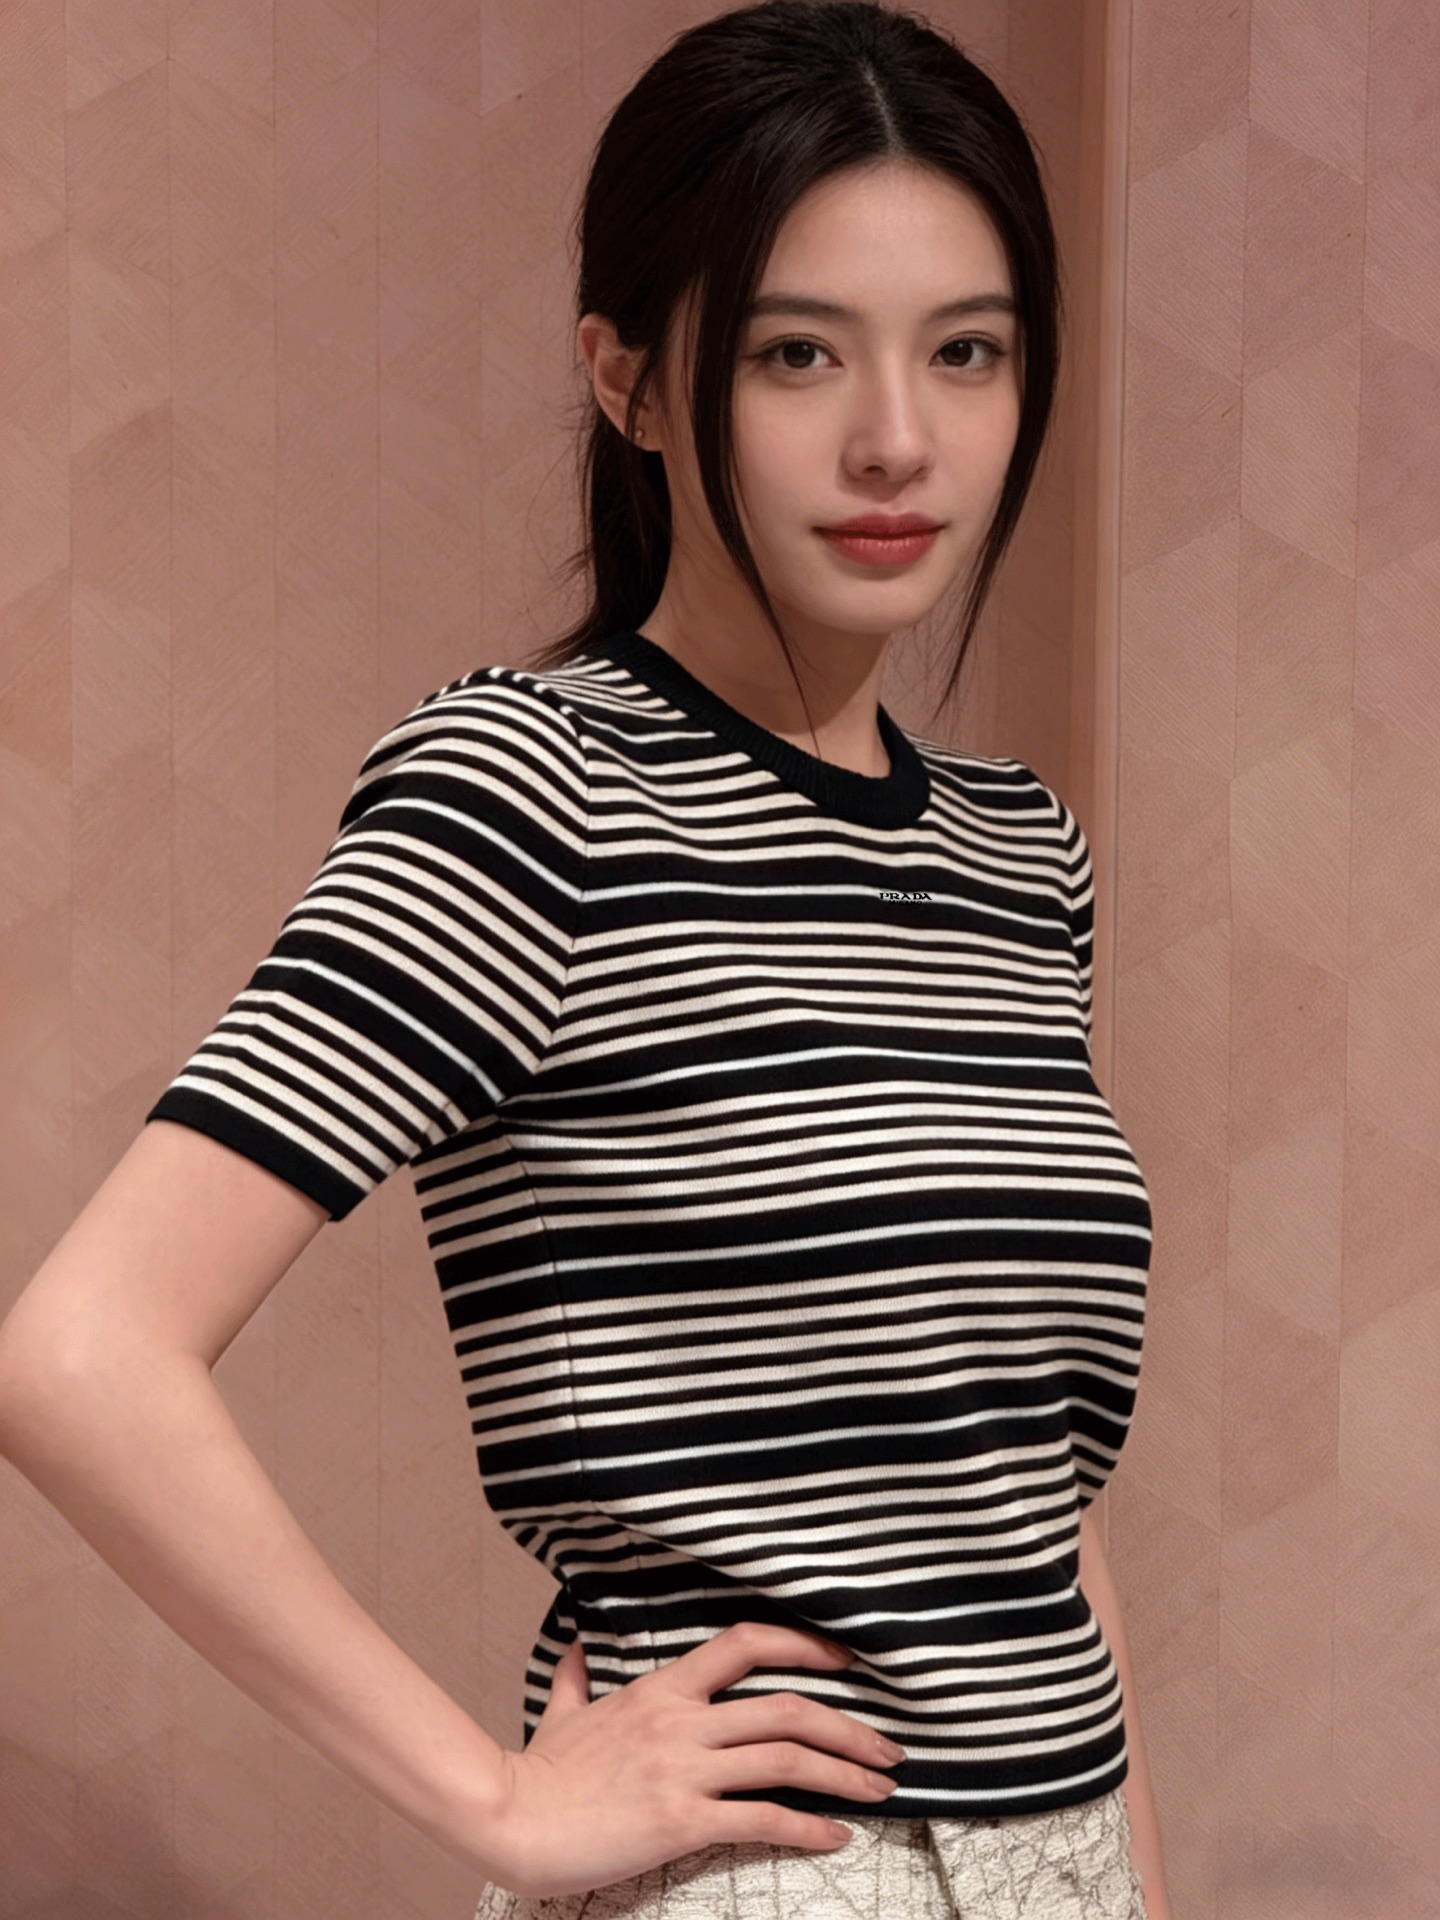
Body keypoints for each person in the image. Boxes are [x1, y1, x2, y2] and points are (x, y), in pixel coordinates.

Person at [0, 3, 1172, 1916]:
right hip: (769, 1878)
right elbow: (81, 1355)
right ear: (626, 380)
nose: (899, 438)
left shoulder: (1016, 854)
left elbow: (1030, 1501)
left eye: (968, 350)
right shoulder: (530, 790)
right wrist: (496, 1801)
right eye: (798, 353)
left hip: (1070, 1858)